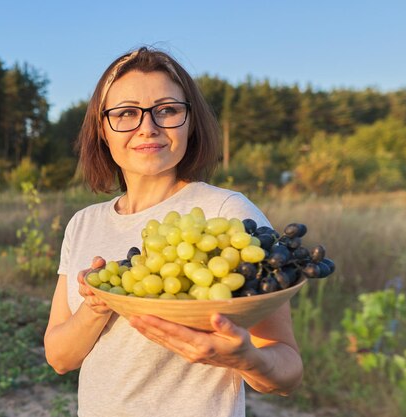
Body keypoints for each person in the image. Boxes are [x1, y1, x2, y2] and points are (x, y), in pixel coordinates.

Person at [44, 47, 303, 417]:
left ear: (190, 121)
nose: (147, 127)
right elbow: (59, 357)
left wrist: (247, 359)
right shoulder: (83, 223)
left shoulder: (227, 214)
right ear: (102, 128)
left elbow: (287, 369)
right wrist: (98, 303)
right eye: (126, 113)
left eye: (167, 110)